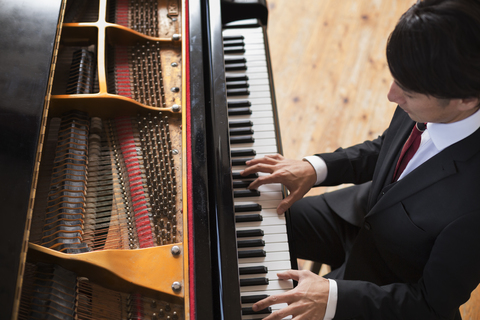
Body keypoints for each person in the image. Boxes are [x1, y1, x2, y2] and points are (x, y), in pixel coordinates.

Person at [240, 0, 480, 319]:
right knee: (247, 214)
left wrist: (334, 296)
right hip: (359, 213)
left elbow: (431, 303)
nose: (392, 96)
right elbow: (387, 147)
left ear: (466, 100)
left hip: (389, 288)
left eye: (407, 92)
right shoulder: (431, 80)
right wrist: (315, 168)